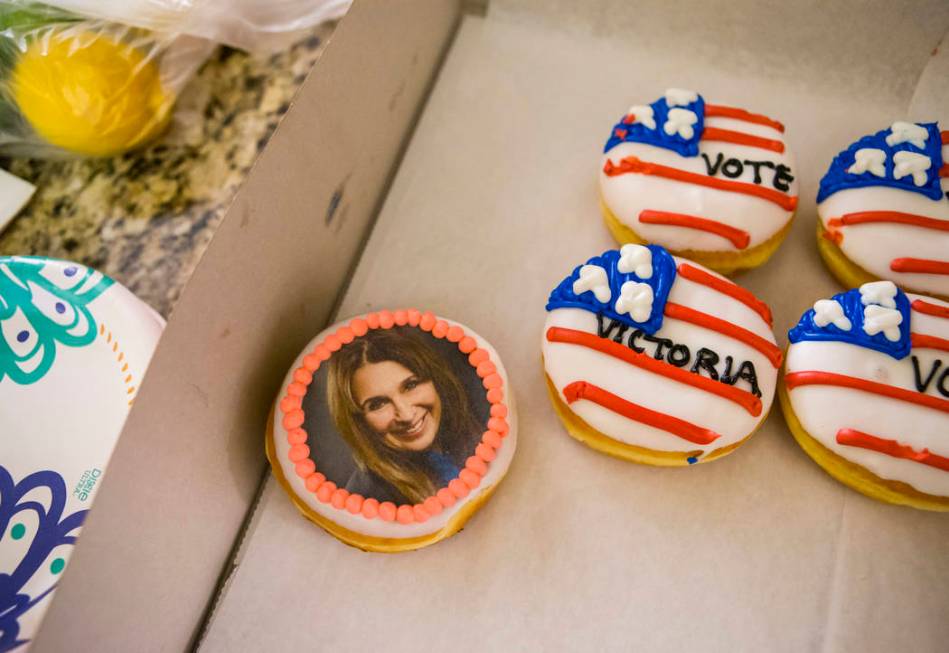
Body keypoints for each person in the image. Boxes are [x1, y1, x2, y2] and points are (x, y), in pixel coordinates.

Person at [327, 327, 482, 505]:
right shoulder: (366, 498)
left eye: (410, 386)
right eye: (378, 404)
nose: (407, 415)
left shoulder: (477, 434)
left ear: (436, 380)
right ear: (358, 422)